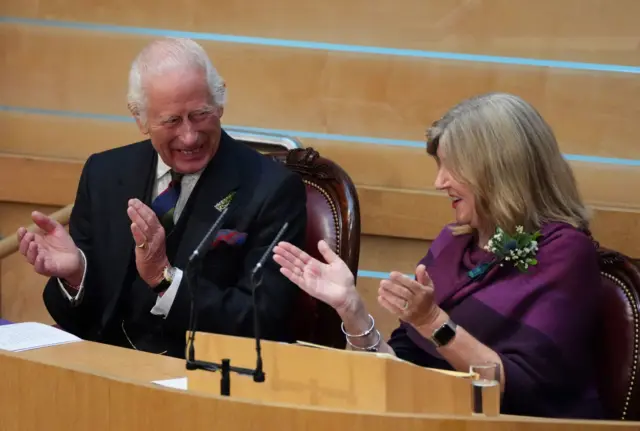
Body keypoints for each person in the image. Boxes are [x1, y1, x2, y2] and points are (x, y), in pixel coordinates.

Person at [272, 93, 604, 419]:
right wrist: (351, 307)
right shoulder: (453, 243)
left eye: (451, 168)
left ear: (499, 171)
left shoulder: (566, 253)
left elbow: (519, 389)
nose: (438, 182)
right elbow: (402, 367)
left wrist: (434, 322)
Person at [16, 38, 307, 358]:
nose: (190, 136)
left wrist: (165, 279)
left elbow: (262, 320)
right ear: (140, 119)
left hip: (199, 379)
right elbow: (81, 322)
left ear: (219, 103)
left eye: (200, 114)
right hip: (106, 371)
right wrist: (75, 274)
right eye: (171, 121)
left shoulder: (272, 190)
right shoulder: (104, 174)